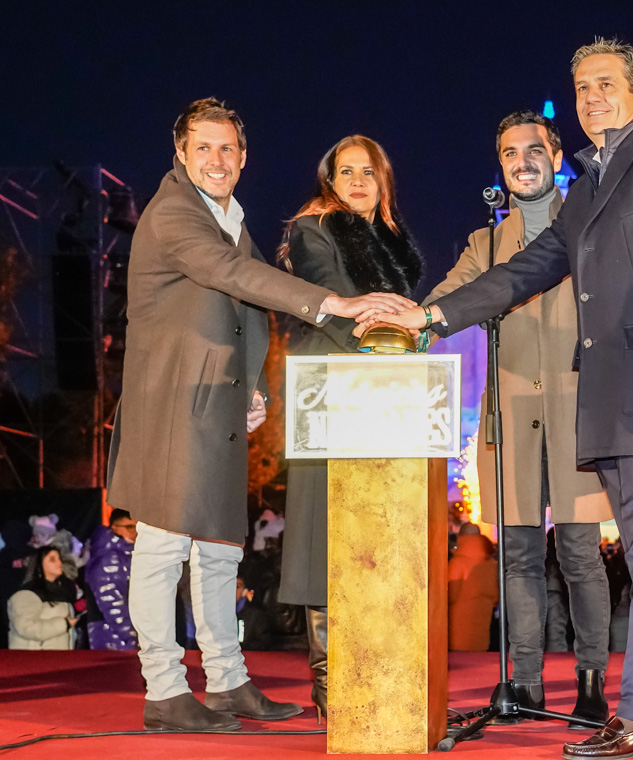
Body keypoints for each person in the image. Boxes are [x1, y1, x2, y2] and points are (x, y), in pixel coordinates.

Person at [390, 38, 633, 756]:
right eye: (581, 88)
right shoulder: (594, 184)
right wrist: (432, 316)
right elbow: (528, 268)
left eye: (606, 84)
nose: (592, 97)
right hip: (603, 400)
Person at [105, 98, 414, 733]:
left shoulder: (228, 215)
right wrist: (331, 302)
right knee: (163, 545)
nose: (216, 160)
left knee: (220, 548)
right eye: (204, 149)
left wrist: (257, 389)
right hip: (172, 402)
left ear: (243, 158)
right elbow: (231, 275)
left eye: (227, 150)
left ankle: (226, 681)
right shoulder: (175, 213)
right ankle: (163, 688)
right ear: (181, 155)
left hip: (216, 398)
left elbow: (244, 312)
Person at [423, 110, 612, 726]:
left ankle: (591, 682)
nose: (522, 161)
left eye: (535, 150)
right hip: (510, 419)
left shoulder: (590, 223)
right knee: (520, 557)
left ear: (557, 158)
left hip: (578, 414)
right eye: (509, 153)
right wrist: (396, 323)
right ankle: (525, 683)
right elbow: (441, 305)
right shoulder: (486, 244)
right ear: (499, 165)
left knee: (581, 555)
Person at [275, 134, 423, 721]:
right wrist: (377, 328)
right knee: (321, 535)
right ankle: (329, 680)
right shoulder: (314, 228)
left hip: (386, 392)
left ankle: (378, 664)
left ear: (383, 180)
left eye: (369, 171)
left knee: (379, 534)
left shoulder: (391, 240)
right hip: (331, 388)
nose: (358, 181)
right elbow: (325, 294)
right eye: (346, 172)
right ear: (329, 181)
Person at [85, 509, 138, 650]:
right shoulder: (108, 558)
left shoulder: (129, 554)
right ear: (114, 528)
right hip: (112, 637)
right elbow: (111, 602)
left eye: (138, 527)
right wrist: (131, 636)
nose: (135, 532)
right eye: (129, 527)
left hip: (126, 635)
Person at [8, 547, 80, 650]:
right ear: (39, 565)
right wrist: (64, 624)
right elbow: (26, 628)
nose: (58, 562)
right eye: (52, 559)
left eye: (59, 558)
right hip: (33, 660)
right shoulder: (27, 594)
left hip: (58, 660)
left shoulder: (63, 591)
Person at [448, 524, 500, 651]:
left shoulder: (456, 563)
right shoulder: (492, 564)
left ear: (461, 538)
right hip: (484, 624)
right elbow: (496, 596)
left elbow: (450, 596)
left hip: (457, 628)